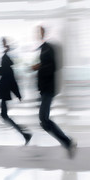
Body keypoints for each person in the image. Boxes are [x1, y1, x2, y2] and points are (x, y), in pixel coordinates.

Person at [31, 26, 77, 158]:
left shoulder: (48, 47)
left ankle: (68, 143)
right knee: (43, 121)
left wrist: (38, 67)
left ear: (44, 32)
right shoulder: (44, 48)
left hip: (48, 89)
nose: (37, 34)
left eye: (39, 31)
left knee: (44, 119)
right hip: (44, 89)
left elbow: (53, 66)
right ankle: (67, 143)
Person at [0, 37, 32, 145]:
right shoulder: (6, 58)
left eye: (3, 43)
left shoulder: (6, 58)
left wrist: (18, 94)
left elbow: (8, 76)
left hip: (4, 91)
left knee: (4, 115)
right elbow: (5, 74)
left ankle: (25, 134)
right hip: (4, 91)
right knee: (3, 115)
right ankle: (24, 133)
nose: (2, 45)